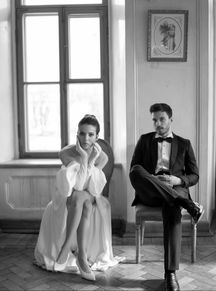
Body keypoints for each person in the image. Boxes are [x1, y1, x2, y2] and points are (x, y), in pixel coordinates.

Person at [34, 114, 122, 281]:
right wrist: (82, 157)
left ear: (97, 137)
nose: (86, 138)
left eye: (90, 134)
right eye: (82, 133)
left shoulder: (102, 157)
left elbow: (91, 188)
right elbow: (76, 186)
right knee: (82, 202)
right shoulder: (66, 153)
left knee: (83, 198)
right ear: (77, 134)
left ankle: (66, 247)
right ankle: (82, 256)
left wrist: (90, 162)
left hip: (91, 193)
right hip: (68, 193)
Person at [129, 103, 204, 291]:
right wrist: (154, 180)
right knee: (137, 170)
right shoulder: (144, 140)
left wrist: (176, 179)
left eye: (162, 119)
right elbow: (134, 170)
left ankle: (170, 273)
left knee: (171, 205)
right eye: (154, 120)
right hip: (151, 192)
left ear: (171, 119)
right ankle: (187, 204)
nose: (158, 124)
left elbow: (195, 175)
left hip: (174, 188)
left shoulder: (184, 143)